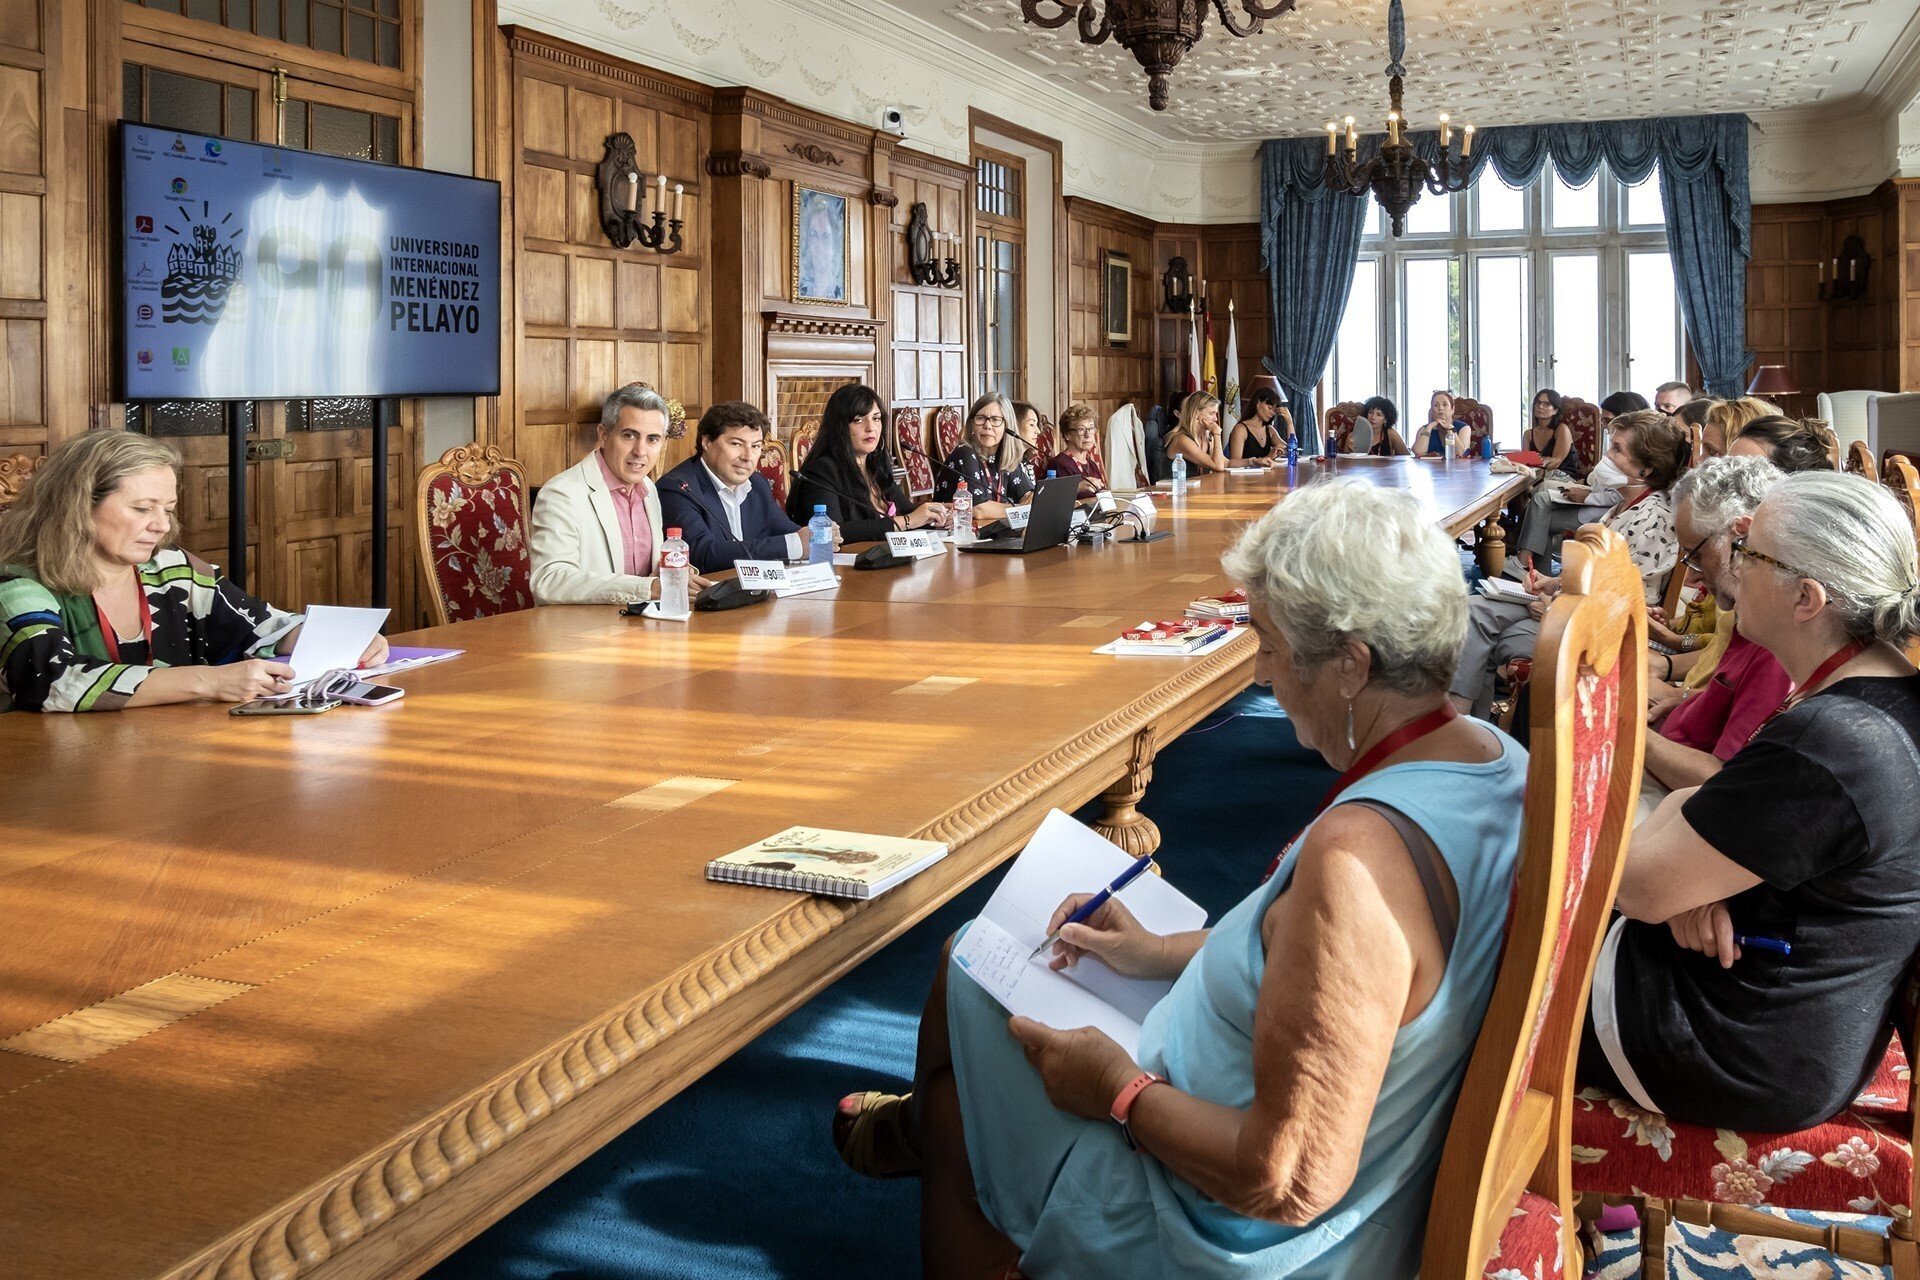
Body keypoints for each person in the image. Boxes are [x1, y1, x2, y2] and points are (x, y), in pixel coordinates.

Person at [834, 479, 1528, 1279]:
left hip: (1225, 1230)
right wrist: (1155, 952)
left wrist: (1119, 1092)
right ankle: (924, 1136)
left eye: (1270, 645)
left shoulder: (1359, 862)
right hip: (1304, 1143)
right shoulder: (1495, 757)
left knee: (961, 1082)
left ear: (1350, 664)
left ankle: (931, 1139)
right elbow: (1357, 976)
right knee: (974, 959)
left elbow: (1286, 1180)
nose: (1261, 672)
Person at [1586, 471, 1920, 1132]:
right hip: (1786, 1017)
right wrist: (1691, 885)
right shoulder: (1883, 689)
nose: (1733, 565)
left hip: (1733, 1042)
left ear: (1807, 598)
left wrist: (1677, 880)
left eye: (1750, 552)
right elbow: (1714, 808)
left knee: (1493, 960)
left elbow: (1638, 887)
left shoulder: (1833, 742)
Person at [0, 430, 384, 712]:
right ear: (79, 506)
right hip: (60, 771)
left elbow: (259, 625)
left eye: (167, 509)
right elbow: (51, 681)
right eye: (142, 508)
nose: (161, 525)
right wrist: (210, 682)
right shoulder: (17, 587)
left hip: (172, 757)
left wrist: (339, 639)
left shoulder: (172, 569)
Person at [1452, 410, 1686, 716]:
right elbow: (1600, 575)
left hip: (1600, 629)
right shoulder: (1624, 505)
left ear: (1646, 469)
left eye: (1617, 450)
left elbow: (1632, 599)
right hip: (1575, 607)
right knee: (1475, 614)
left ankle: (1463, 725)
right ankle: (1470, 727)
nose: (1607, 456)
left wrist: (1555, 607)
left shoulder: (1653, 518)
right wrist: (1552, 583)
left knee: (1480, 629)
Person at [1636, 459, 1792, 813]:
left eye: (1696, 556)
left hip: (1678, 800)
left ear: (1741, 536)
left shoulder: (1775, 636)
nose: (1691, 578)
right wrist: (1685, 698)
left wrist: (1626, 727)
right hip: (1667, 758)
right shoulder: (1747, 614)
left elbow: (1725, 782)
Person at [533, 384, 685, 605]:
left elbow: (649, 573)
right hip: (585, 624)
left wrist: (676, 573)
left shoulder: (648, 488)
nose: (640, 451)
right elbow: (549, 581)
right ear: (604, 434)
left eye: (652, 439)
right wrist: (647, 588)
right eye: (629, 435)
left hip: (644, 619)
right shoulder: (561, 493)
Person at [658, 401, 807, 572]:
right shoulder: (678, 488)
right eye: (736, 444)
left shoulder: (757, 483)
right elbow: (702, 555)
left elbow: (788, 532)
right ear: (707, 442)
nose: (747, 456)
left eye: (755, 446)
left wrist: (816, 535)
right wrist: (794, 545)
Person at [791, 384, 948, 543]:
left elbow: (909, 511)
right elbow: (833, 532)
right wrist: (907, 521)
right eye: (858, 420)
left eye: (876, 418)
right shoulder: (820, 472)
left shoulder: (875, 467)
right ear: (839, 427)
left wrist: (938, 514)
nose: (871, 428)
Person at [936, 393, 1034, 525]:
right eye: (980, 418)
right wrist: (1021, 509)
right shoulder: (964, 453)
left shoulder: (1004, 457)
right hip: (956, 533)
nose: (987, 425)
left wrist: (1028, 501)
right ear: (972, 424)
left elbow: (1029, 496)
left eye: (995, 419)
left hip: (990, 532)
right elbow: (979, 509)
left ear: (1007, 426)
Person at [1163, 390, 1229, 474]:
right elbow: (1218, 466)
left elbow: (1226, 463)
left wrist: (1246, 462)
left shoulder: (1207, 437)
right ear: (1196, 414)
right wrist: (1217, 434)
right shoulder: (1181, 439)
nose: (1215, 419)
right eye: (1211, 413)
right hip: (1178, 483)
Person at [1046, 404, 1107, 494]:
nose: (1088, 435)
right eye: (1081, 429)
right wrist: (1076, 487)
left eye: (1091, 428)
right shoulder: (1060, 464)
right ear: (1067, 435)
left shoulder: (1092, 464)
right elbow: (1056, 496)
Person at [1518, 389, 1577, 478]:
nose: (1540, 406)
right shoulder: (1527, 434)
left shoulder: (1562, 429)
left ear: (1555, 410)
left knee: (1536, 486)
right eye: (1538, 403)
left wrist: (1533, 460)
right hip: (1536, 476)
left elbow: (1555, 462)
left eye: (1546, 404)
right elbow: (1525, 463)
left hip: (1563, 476)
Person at [1227, 387, 1292, 466]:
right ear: (1257, 403)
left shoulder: (1269, 430)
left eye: (1274, 410)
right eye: (1270, 408)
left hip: (1266, 473)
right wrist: (1267, 457)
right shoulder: (1241, 429)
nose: (1272, 413)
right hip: (1245, 474)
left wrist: (1289, 422)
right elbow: (1233, 464)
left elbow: (1292, 450)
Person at [1407, 390, 1471, 458]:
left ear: (1452, 409)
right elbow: (1418, 453)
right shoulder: (1423, 429)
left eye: (1445, 405)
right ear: (1432, 410)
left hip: (1458, 465)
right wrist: (1429, 427)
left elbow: (1460, 453)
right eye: (1435, 405)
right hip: (1431, 465)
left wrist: (1451, 430)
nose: (1440, 408)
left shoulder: (1464, 428)